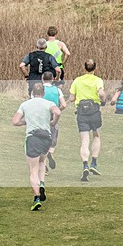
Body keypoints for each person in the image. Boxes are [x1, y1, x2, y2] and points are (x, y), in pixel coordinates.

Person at [13, 83, 61, 211]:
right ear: (43, 93)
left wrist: (26, 121)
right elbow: (58, 112)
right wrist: (53, 122)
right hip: (46, 138)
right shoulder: (48, 103)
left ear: (32, 93)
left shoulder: (25, 104)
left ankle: (36, 198)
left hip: (32, 138)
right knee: (42, 161)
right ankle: (42, 184)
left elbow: (15, 121)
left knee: (32, 170)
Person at [68, 59, 106, 182]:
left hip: (81, 112)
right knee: (96, 136)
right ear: (95, 69)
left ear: (84, 69)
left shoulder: (77, 80)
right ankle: (94, 163)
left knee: (84, 140)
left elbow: (71, 99)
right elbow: (101, 93)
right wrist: (103, 100)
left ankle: (85, 165)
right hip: (94, 111)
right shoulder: (98, 80)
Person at [42, 71, 67, 171]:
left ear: (42, 79)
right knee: (53, 140)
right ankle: (50, 153)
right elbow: (64, 105)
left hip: (42, 117)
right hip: (53, 117)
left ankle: (44, 167)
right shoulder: (57, 90)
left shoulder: (39, 89)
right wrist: (57, 110)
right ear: (52, 79)